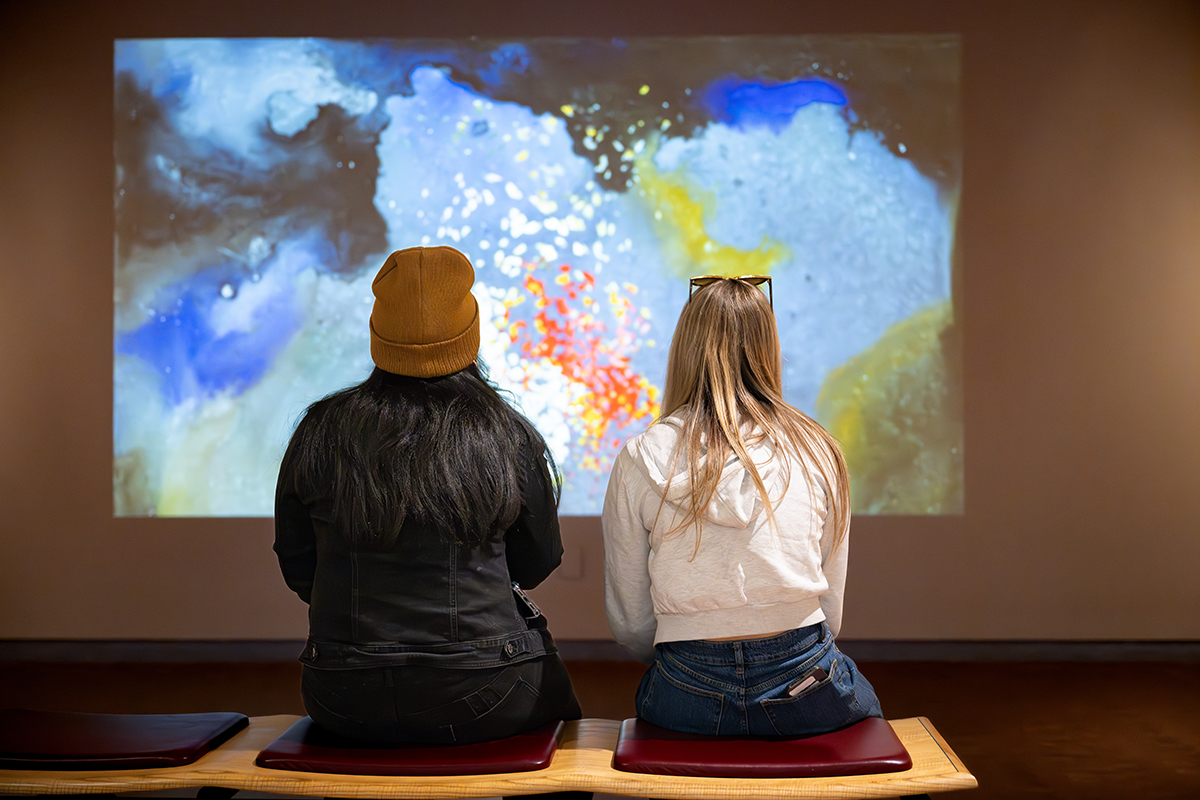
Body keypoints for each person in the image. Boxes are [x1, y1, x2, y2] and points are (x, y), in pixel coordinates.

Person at [274, 245, 583, 747]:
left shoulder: (319, 430)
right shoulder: (507, 434)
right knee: (570, 735)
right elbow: (535, 563)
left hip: (342, 697)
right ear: (470, 334)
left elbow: (299, 567)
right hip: (486, 691)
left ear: (378, 333)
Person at [601, 274, 882, 737]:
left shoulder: (638, 457)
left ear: (684, 349)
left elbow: (631, 622)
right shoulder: (818, 450)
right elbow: (831, 611)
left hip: (685, 686)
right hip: (805, 682)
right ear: (768, 347)